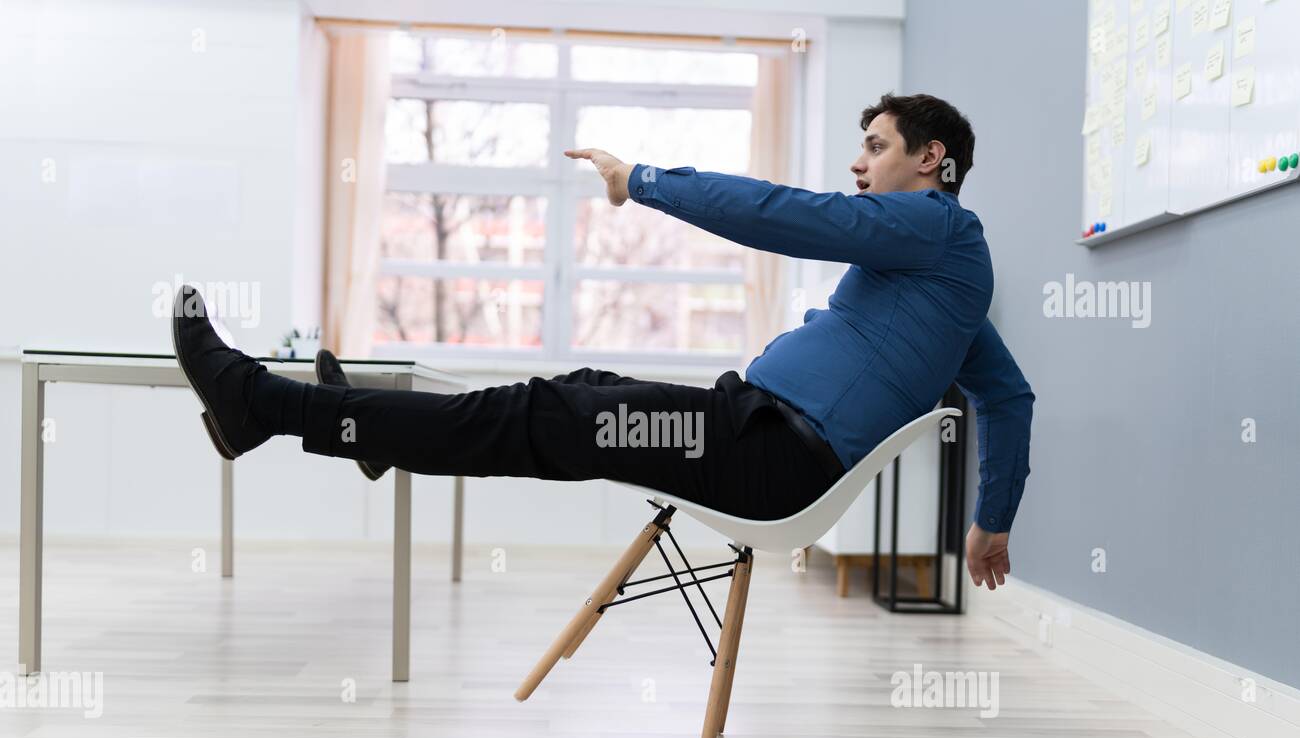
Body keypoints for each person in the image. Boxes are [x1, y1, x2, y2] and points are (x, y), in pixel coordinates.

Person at [171, 92, 1033, 591]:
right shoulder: (951, 281)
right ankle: (369, 424)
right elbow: (1008, 394)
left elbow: (791, 217)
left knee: (546, 417)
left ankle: (266, 404)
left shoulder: (938, 230)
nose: (859, 165)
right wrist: (992, 523)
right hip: (744, 430)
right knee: (571, 391)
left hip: (767, 455)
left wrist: (643, 180)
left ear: (933, 160)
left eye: (875, 148)